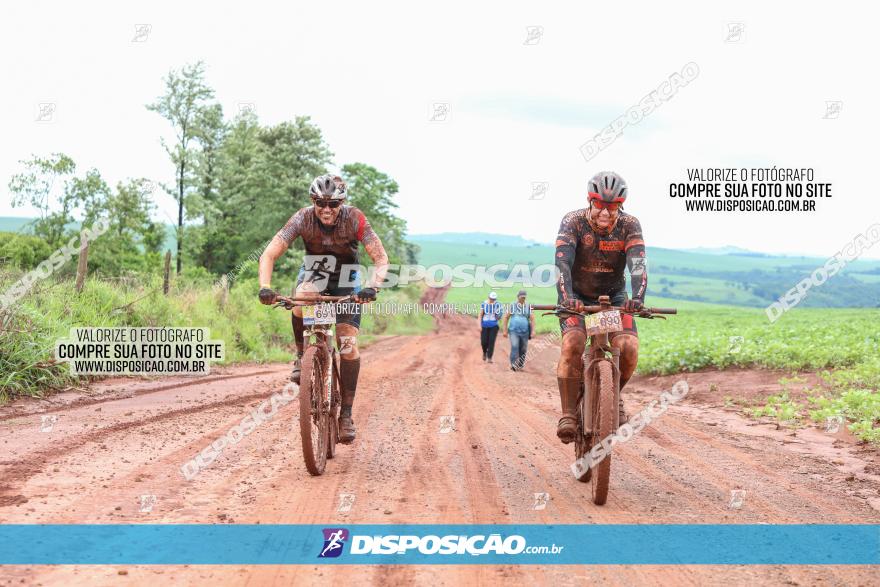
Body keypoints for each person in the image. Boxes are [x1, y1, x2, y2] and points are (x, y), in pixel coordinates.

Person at [257, 174, 389, 444]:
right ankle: (301, 356)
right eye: (320, 202)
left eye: (333, 204)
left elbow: (381, 257)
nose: (326, 209)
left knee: (348, 343)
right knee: (299, 301)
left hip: (347, 276)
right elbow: (269, 253)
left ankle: (346, 415)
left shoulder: (355, 218)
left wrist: (373, 287)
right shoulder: (302, 218)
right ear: (312, 201)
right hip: (316, 271)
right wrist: (265, 286)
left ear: (342, 203)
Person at [553, 171, 647, 443]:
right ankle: (569, 413)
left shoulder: (630, 225)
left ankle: (613, 395)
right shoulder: (572, 221)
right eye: (600, 205)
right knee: (573, 344)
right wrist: (567, 296)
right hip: (576, 297)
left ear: (621, 205)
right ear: (589, 201)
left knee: (628, 348)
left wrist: (638, 297)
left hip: (613, 298)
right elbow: (562, 264)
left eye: (613, 206)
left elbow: (638, 264)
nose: (605, 212)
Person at [502, 289, 535, 371]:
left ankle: (520, 364)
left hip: (525, 331)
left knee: (523, 348)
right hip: (513, 331)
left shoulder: (528, 306)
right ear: (518, 297)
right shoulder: (513, 305)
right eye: (521, 297)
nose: (522, 299)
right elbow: (506, 317)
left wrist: (533, 331)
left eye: (524, 297)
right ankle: (513, 365)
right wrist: (505, 330)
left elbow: (532, 319)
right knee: (514, 346)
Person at [477, 291, 503, 363]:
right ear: (489, 297)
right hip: (484, 325)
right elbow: (480, 315)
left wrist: (498, 315)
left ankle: (489, 357)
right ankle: (484, 352)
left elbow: (500, 316)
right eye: (491, 298)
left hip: (494, 325)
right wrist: (479, 325)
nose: (492, 300)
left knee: (491, 341)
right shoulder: (484, 304)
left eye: (494, 299)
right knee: (484, 342)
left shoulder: (498, 305)